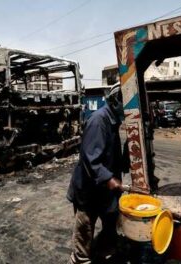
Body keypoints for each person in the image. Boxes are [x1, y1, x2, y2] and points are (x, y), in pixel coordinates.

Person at [67, 84, 127, 264]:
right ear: (116, 101)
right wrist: (109, 179)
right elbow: (90, 159)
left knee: (110, 221)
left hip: (103, 192)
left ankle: (102, 250)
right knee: (84, 234)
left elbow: (111, 156)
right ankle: (80, 260)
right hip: (88, 190)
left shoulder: (113, 120)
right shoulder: (99, 120)